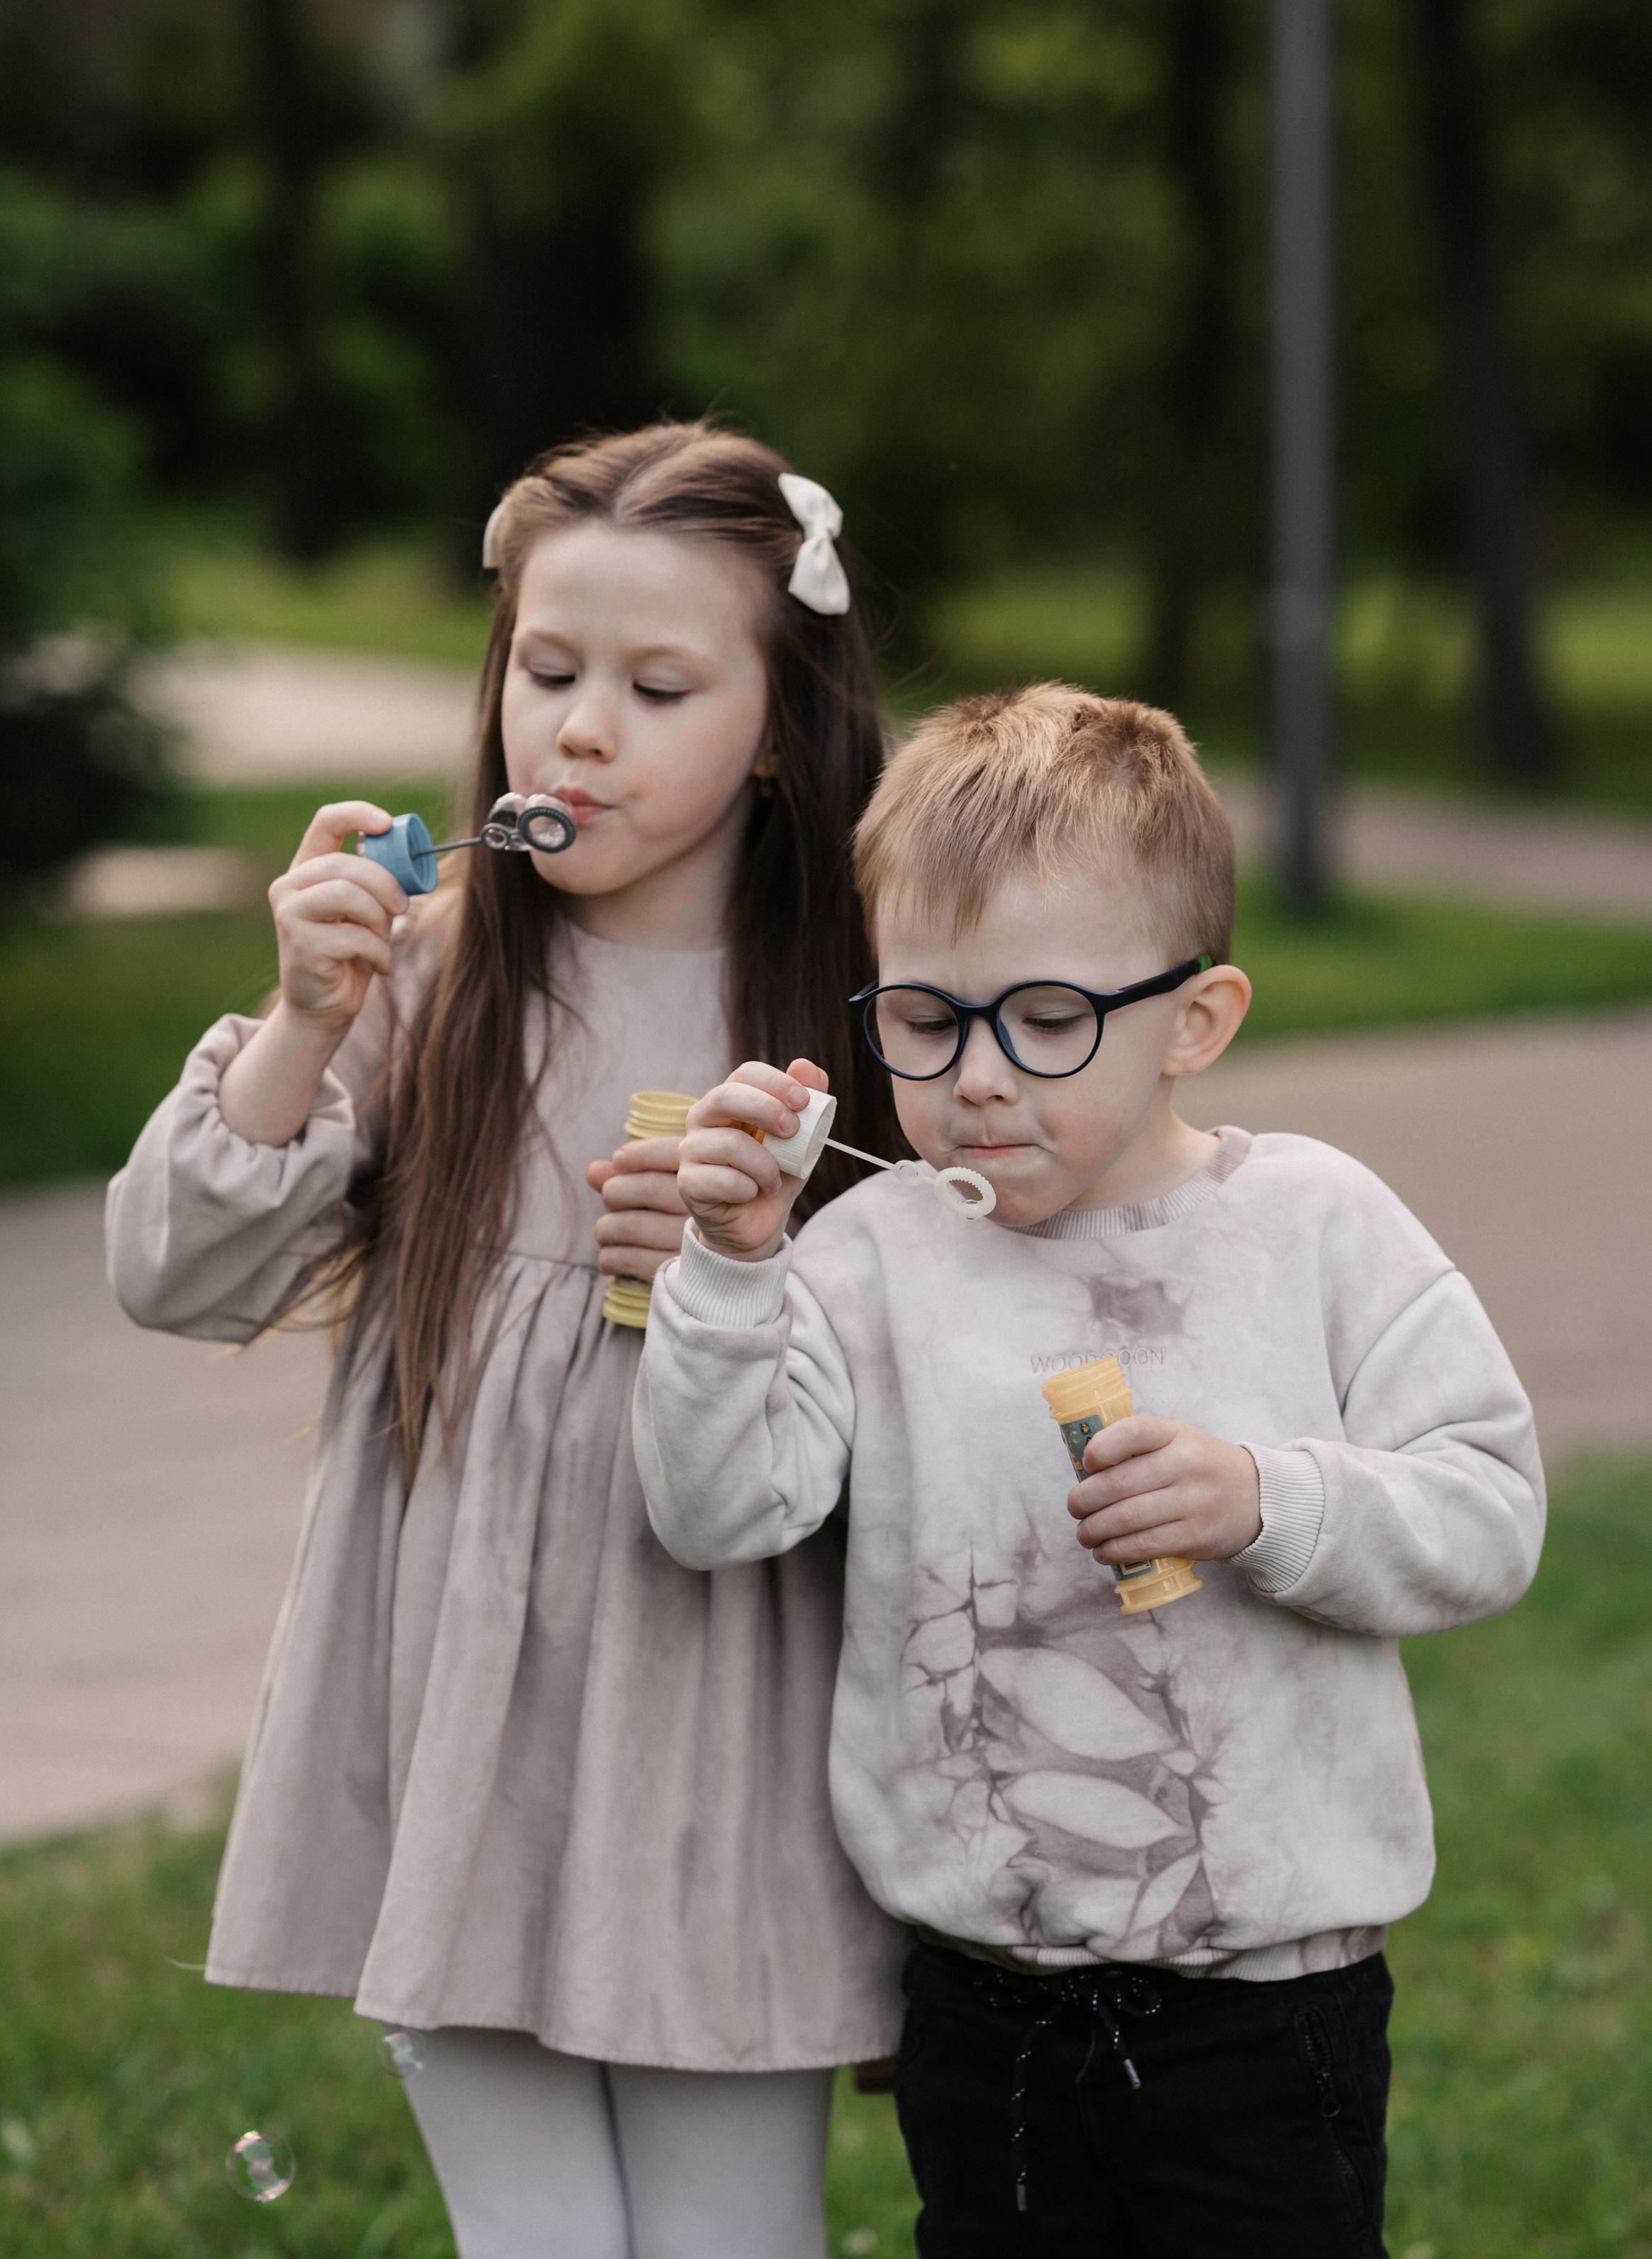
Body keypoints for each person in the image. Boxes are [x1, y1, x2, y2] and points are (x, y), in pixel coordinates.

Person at [105, 423, 909, 2259]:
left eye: (656, 687)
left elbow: (955, 1330)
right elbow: (172, 1275)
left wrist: (755, 1265)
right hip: (459, 1729)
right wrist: (303, 1022)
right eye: (547, 671)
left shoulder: (860, 1005)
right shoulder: (433, 969)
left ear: (775, 724)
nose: (581, 733)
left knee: (732, 2239)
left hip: (723, 1734)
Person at [633, 682, 1544, 2258]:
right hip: (986, 1999)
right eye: (925, 1019)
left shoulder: (1312, 1227)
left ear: (1197, 1019)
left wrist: (1265, 1499)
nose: (977, 1076)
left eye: (1047, 1017)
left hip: (1271, 1997)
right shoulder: (864, 1256)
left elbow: (1491, 1510)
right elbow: (717, 1509)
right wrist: (726, 1270)